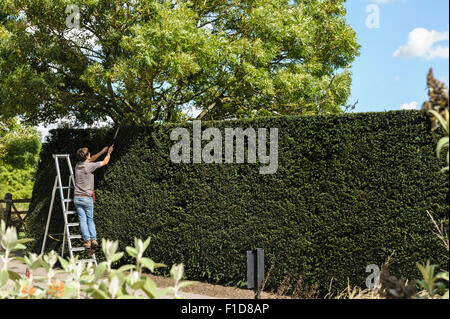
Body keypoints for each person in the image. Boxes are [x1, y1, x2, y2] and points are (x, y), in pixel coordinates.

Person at [74, 145, 113, 251]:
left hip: (77, 198)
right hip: (87, 198)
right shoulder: (89, 166)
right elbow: (104, 162)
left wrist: (101, 151)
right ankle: (94, 239)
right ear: (87, 156)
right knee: (90, 220)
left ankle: (87, 241)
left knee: (83, 219)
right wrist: (108, 153)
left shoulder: (78, 165)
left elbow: (90, 160)